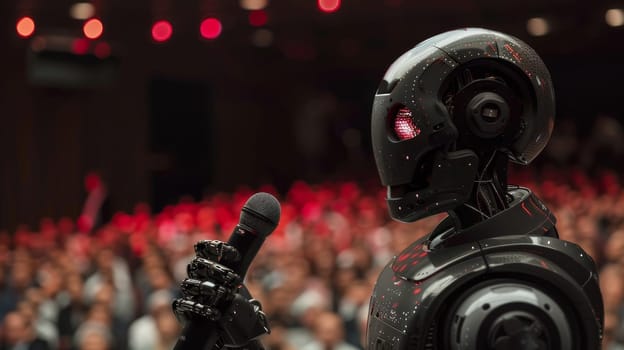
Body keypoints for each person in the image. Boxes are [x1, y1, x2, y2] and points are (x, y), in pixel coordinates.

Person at [172, 28, 604, 349]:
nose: (397, 145)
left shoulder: (507, 295)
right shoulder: (462, 253)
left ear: (486, 118)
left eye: (406, 125)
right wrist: (244, 334)